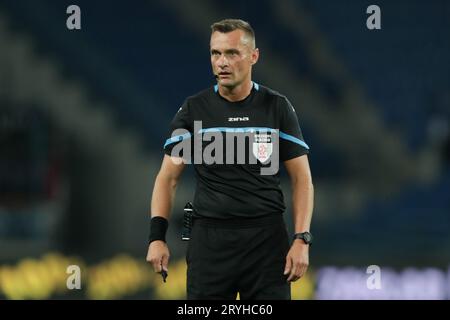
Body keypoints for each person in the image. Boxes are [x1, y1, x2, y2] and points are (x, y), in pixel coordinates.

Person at [146, 18, 314, 300]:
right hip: (209, 244)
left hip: (266, 243)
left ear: (253, 56)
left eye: (232, 53)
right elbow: (168, 178)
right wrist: (156, 237)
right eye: (216, 53)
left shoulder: (277, 107)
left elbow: (302, 179)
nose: (222, 62)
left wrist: (302, 239)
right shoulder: (193, 109)